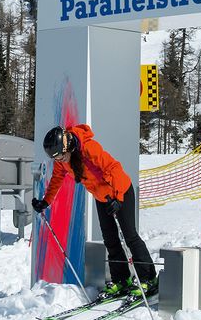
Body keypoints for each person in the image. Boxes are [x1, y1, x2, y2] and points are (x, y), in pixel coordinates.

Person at [32, 125, 158, 302]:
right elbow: (57, 179)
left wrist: (118, 198)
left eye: (60, 156)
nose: (60, 160)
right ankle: (121, 279)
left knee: (129, 235)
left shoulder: (89, 148)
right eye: (56, 158)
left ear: (66, 146)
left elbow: (114, 168)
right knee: (110, 238)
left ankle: (149, 278)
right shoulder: (63, 160)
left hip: (120, 191)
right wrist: (46, 201)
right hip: (101, 196)